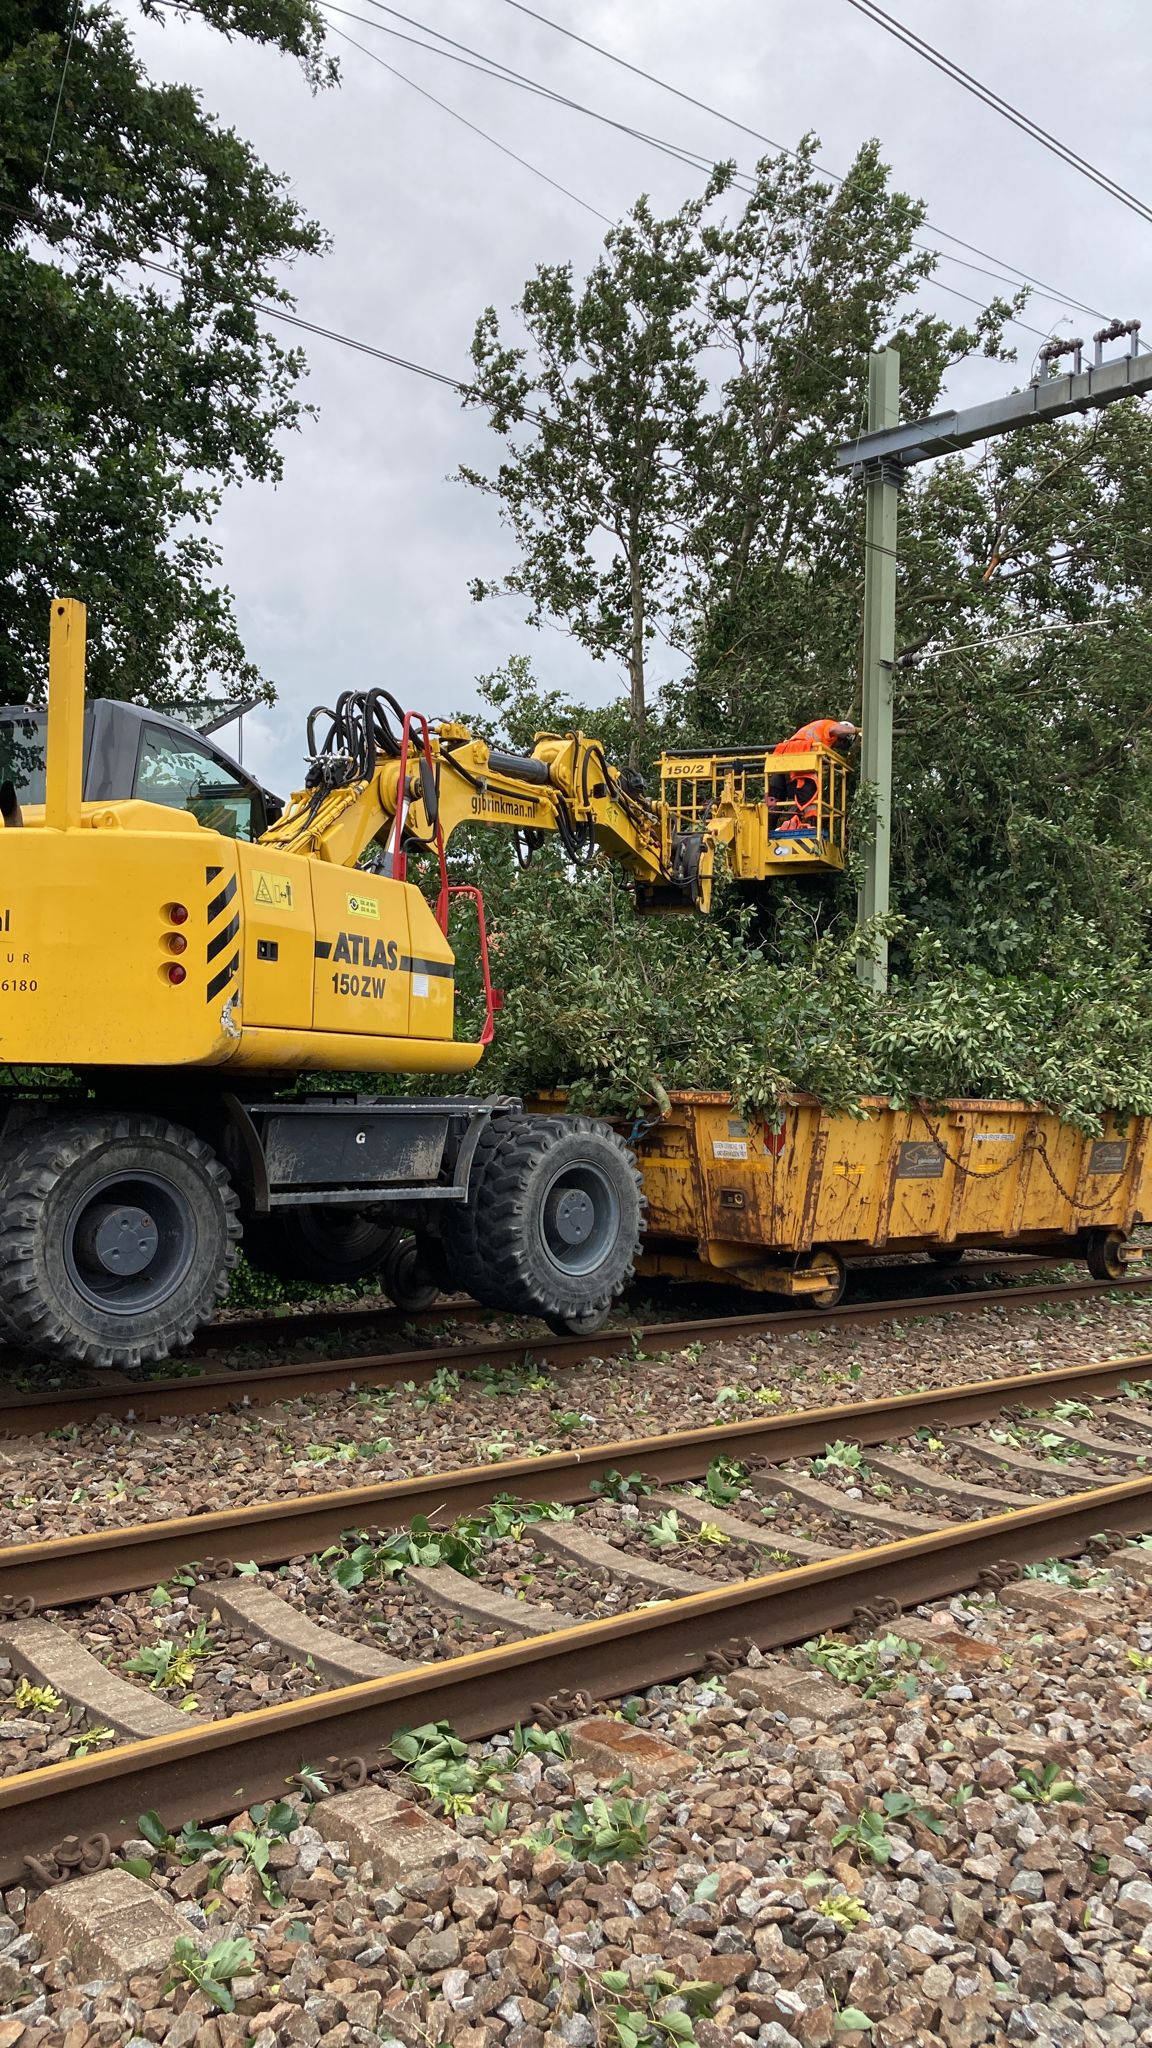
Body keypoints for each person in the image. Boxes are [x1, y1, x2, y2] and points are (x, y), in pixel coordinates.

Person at [767, 717, 858, 832]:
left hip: (781, 757)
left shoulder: (818, 738)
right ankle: (799, 829)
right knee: (805, 795)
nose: (838, 746)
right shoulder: (830, 725)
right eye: (842, 743)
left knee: (774, 800)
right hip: (798, 757)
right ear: (843, 737)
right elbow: (836, 729)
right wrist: (858, 730)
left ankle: (767, 832)